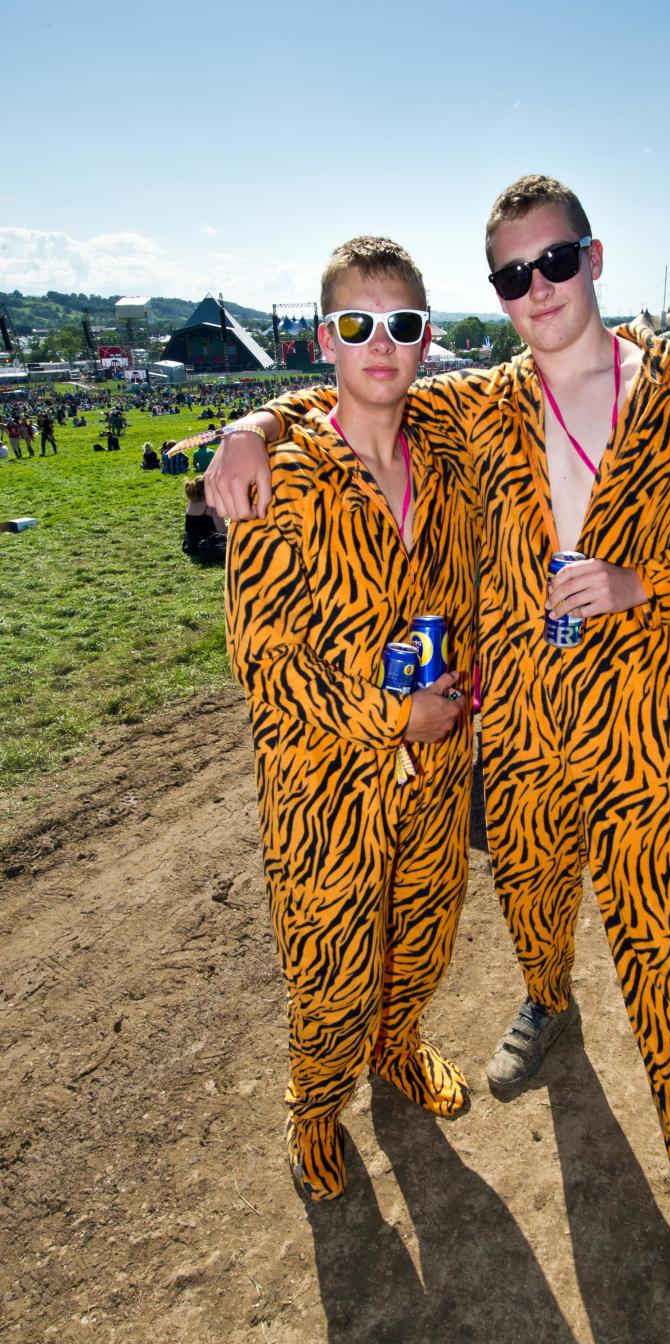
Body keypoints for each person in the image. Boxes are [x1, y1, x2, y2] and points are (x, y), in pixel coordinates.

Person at [205, 176, 670, 1326]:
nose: (538, 292)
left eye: (555, 263)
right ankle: (543, 1003)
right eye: (513, 276)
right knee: (525, 895)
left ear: (594, 258)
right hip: (521, 741)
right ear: (497, 293)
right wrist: (251, 423)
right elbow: (357, 396)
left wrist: (646, 585)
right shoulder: (484, 407)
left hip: (659, 741)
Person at [220, 237, 476, 1206]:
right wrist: (391, 716)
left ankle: (399, 1047)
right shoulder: (278, 483)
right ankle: (314, 1109)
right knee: (328, 983)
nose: (382, 344)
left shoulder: (446, 455)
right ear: (325, 339)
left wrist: (460, 690)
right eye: (358, 325)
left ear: (424, 340)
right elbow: (270, 671)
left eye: (402, 325)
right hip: (328, 797)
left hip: (437, 775)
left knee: (422, 940)